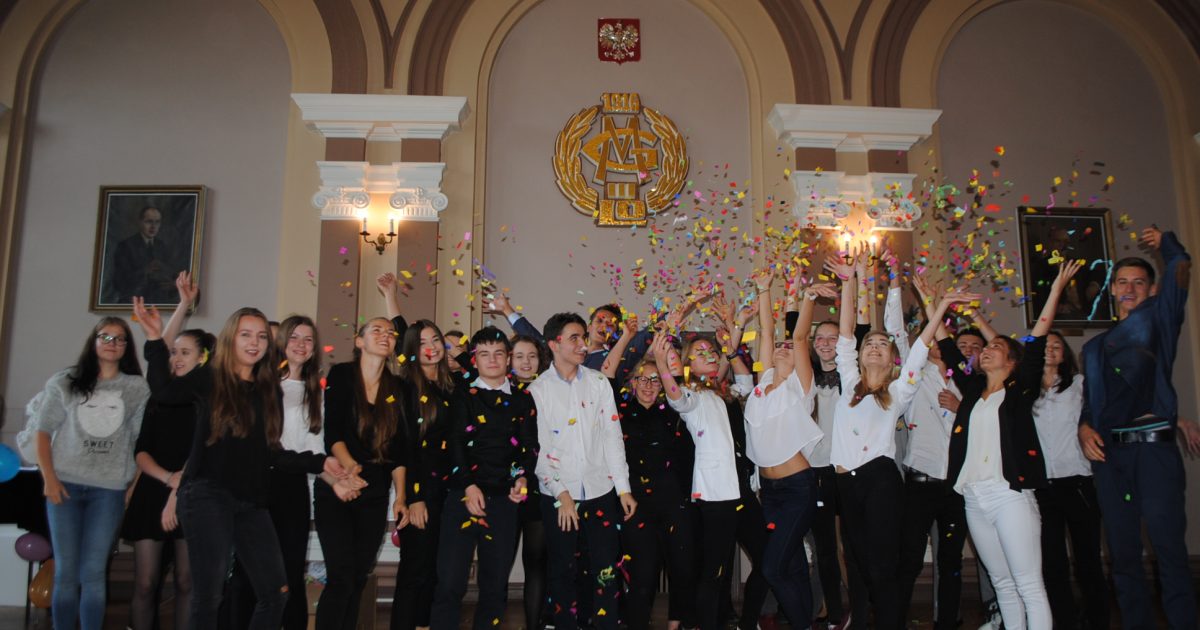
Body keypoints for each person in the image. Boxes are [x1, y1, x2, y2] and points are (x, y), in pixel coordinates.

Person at [172, 307, 351, 629]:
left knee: (278, 590)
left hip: (258, 495)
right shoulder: (219, 378)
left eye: (260, 337)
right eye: (246, 335)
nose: (254, 342)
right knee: (214, 594)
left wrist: (324, 466)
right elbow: (166, 391)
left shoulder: (282, 390)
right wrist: (162, 332)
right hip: (213, 493)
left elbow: (277, 450)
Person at [825, 252, 973, 630]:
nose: (874, 346)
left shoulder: (899, 391)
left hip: (880, 479)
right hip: (845, 483)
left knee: (881, 568)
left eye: (882, 344)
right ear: (860, 356)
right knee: (860, 565)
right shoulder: (848, 383)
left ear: (892, 358)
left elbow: (920, 349)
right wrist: (848, 281)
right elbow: (845, 336)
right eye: (869, 343)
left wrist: (939, 306)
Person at [941, 261, 1081, 630]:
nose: (986, 351)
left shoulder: (1020, 392)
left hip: (1010, 497)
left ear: (1013, 362)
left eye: (996, 347)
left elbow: (1038, 337)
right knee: (1002, 583)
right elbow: (946, 347)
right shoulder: (973, 392)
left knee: (1028, 584)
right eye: (985, 348)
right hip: (974, 497)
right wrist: (933, 302)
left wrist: (1055, 290)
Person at [1077, 226, 1200, 628]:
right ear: (1111, 290)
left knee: (1169, 549)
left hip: (1153, 452)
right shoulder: (1093, 348)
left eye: (1138, 282)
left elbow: (1181, 266)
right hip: (1111, 459)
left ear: (1151, 290)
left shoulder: (1160, 320)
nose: (1129, 288)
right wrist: (1084, 428)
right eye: (1122, 282)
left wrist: (1166, 242)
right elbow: (1092, 403)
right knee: (1123, 555)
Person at [19, 317, 150, 630]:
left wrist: (132, 486)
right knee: (65, 572)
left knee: (93, 573)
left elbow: (140, 442)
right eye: (105, 337)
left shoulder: (136, 388)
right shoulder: (66, 381)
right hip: (64, 486)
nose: (112, 343)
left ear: (127, 347)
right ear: (94, 341)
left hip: (109, 491)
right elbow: (42, 432)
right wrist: (49, 479)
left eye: (119, 339)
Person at [532, 312, 636, 630]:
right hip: (558, 495)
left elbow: (612, 437)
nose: (582, 344)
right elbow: (539, 452)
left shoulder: (598, 383)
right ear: (554, 344)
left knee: (605, 570)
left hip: (600, 489)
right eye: (574, 338)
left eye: (583, 337)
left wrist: (623, 488)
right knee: (562, 571)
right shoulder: (538, 390)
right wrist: (562, 494)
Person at [429, 327, 539, 629]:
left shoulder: (523, 399)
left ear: (508, 359)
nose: (492, 360)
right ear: (474, 359)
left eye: (498, 354)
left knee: (494, 585)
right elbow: (455, 443)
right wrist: (468, 485)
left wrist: (522, 479)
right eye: (485, 354)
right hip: (462, 496)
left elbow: (529, 446)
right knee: (450, 582)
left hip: (504, 501)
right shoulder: (462, 394)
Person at [225, 315, 328, 630]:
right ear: (281, 342)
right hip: (260, 483)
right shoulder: (261, 384)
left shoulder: (315, 390)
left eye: (308, 339)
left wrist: (337, 475)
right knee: (248, 573)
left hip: (294, 487)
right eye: (294, 337)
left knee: (290, 573)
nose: (301, 345)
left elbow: (315, 446)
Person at [743, 272, 833, 629]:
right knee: (792, 566)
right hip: (770, 492)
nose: (782, 347)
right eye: (778, 347)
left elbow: (798, 335)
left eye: (789, 348)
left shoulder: (801, 388)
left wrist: (807, 298)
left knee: (772, 568)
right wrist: (763, 289)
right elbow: (766, 332)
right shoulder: (763, 383)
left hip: (798, 488)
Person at [649, 324, 753, 630]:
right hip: (714, 494)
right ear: (688, 365)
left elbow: (745, 383)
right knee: (713, 572)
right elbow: (677, 398)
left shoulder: (719, 394)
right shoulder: (694, 396)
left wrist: (732, 339)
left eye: (711, 351)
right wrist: (662, 365)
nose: (708, 354)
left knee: (720, 569)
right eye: (699, 352)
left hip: (733, 493)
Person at [124, 273, 208, 630]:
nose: (175, 358)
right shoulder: (161, 396)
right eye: (173, 353)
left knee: (187, 582)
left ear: (203, 359)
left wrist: (179, 485)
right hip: (153, 489)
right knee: (145, 583)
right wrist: (183, 304)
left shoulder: (204, 396)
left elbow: (203, 449)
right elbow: (141, 451)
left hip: (190, 490)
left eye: (185, 353)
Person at [316, 316, 411, 629]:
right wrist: (349, 470)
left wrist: (401, 498)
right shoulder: (342, 374)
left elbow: (399, 451)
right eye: (377, 330)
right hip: (337, 486)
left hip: (376, 491)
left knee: (358, 576)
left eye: (391, 333)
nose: (385, 335)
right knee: (340, 576)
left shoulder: (398, 387)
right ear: (359, 341)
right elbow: (333, 434)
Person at [602, 319, 696, 630]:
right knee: (642, 575)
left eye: (656, 380)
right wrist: (628, 336)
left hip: (674, 502)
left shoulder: (674, 410)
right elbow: (607, 373)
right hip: (635, 504)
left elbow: (675, 381)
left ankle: (676, 624)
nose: (648, 385)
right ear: (632, 382)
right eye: (642, 379)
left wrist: (662, 353)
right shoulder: (620, 409)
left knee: (682, 569)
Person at [378, 272, 458, 630]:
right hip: (421, 491)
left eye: (436, 339)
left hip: (448, 493)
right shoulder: (408, 387)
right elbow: (407, 448)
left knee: (436, 572)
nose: (432, 346)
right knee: (415, 571)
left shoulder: (452, 384)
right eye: (423, 342)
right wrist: (415, 497)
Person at [897, 274, 968, 630]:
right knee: (909, 559)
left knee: (950, 560)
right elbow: (899, 338)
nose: (941, 339)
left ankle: (947, 621)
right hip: (920, 482)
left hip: (956, 485)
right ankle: (896, 620)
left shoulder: (967, 382)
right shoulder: (915, 377)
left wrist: (961, 408)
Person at [1032, 331, 1108, 630]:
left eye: (1056, 346)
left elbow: (1098, 415)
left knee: (1088, 560)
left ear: (1064, 353)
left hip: (1077, 482)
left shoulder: (1080, 385)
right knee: (1052, 564)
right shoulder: (1026, 391)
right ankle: (1065, 621)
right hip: (1043, 488)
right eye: (1045, 346)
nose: (1050, 350)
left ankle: (1098, 621)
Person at [510, 333, 551, 630]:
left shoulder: (548, 392)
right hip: (504, 488)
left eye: (532, 356)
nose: (526, 362)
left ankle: (534, 625)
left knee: (536, 564)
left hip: (539, 486)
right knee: (498, 565)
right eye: (519, 356)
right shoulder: (497, 391)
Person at [111, 206, 184, 303]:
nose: (153, 226)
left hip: (158, 302)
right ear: (140, 222)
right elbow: (119, 282)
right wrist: (145, 271)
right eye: (149, 222)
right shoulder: (125, 246)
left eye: (157, 222)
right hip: (132, 302)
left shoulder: (161, 246)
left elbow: (170, 273)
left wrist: (173, 283)